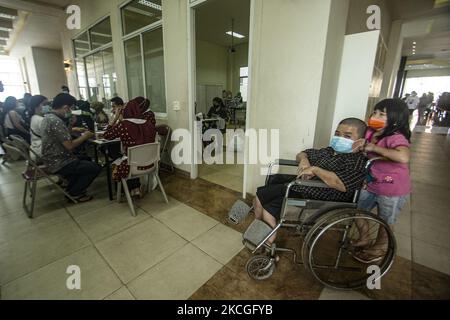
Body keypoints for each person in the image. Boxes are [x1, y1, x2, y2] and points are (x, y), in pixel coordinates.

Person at [253, 118, 368, 245]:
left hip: (318, 195)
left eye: (347, 136)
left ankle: (267, 247)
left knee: (268, 208)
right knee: (259, 194)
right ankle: (258, 230)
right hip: (303, 186)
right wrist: (304, 160)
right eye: (337, 134)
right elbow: (303, 153)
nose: (339, 138)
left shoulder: (357, 161)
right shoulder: (329, 151)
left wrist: (315, 170)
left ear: (360, 141)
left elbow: (341, 184)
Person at [352, 98, 411, 264]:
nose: (375, 116)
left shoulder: (396, 137)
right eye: (375, 112)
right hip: (372, 182)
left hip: (392, 188)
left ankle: (380, 247)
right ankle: (364, 238)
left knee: (385, 221)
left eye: (382, 114)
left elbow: (403, 156)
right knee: (357, 211)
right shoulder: (371, 132)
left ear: (395, 119)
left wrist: (374, 148)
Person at [41, 93, 101, 202]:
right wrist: (85, 136)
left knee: (86, 159)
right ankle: (75, 193)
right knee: (95, 168)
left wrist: (72, 127)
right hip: (59, 161)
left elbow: (62, 136)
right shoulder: (55, 121)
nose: (71, 111)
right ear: (65, 107)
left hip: (52, 158)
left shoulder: (48, 117)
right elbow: (69, 145)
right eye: (71, 108)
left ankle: (72, 188)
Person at [104, 97, 157, 198]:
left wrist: (115, 118)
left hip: (131, 167)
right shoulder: (149, 124)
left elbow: (107, 135)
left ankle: (127, 191)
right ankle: (135, 189)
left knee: (117, 160)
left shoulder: (123, 125)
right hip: (151, 164)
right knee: (126, 158)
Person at [28, 95, 50, 160]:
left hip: (35, 149)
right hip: (42, 151)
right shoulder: (41, 120)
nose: (47, 106)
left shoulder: (34, 117)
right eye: (44, 104)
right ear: (36, 105)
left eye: (48, 104)